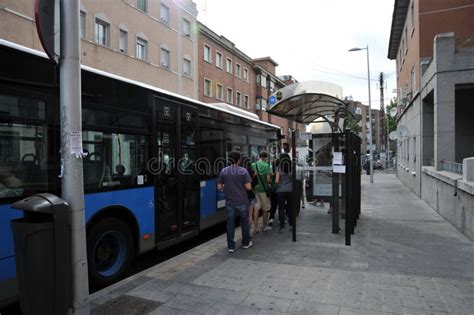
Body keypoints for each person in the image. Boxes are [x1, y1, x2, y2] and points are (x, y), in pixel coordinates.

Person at [217, 151, 253, 253]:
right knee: (244, 224)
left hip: (230, 202)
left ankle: (231, 247)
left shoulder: (224, 171)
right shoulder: (243, 171)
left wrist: (226, 187)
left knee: (230, 225)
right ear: (239, 160)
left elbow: (219, 187)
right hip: (242, 201)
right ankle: (245, 243)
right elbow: (249, 187)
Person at [252, 151, 272, 232]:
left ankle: (255, 228)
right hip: (264, 190)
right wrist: (270, 180)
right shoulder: (267, 166)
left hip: (255, 190)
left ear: (259, 157)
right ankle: (265, 226)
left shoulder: (253, 165)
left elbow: (252, 177)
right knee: (265, 208)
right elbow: (268, 180)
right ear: (265, 157)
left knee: (256, 208)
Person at [275, 153, 293, 233]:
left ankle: (282, 227)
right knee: (290, 208)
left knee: (281, 208)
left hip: (280, 190)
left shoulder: (279, 168)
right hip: (290, 190)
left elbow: (276, 181)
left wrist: (280, 184)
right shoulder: (291, 168)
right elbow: (293, 179)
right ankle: (291, 224)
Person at [241, 155, 258, 236]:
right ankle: (248, 233)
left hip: (241, 196)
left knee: (243, 216)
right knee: (250, 215)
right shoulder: (253, 172)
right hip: (251, 195)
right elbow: (256, 184)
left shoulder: (239, 172)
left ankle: (244, 232)